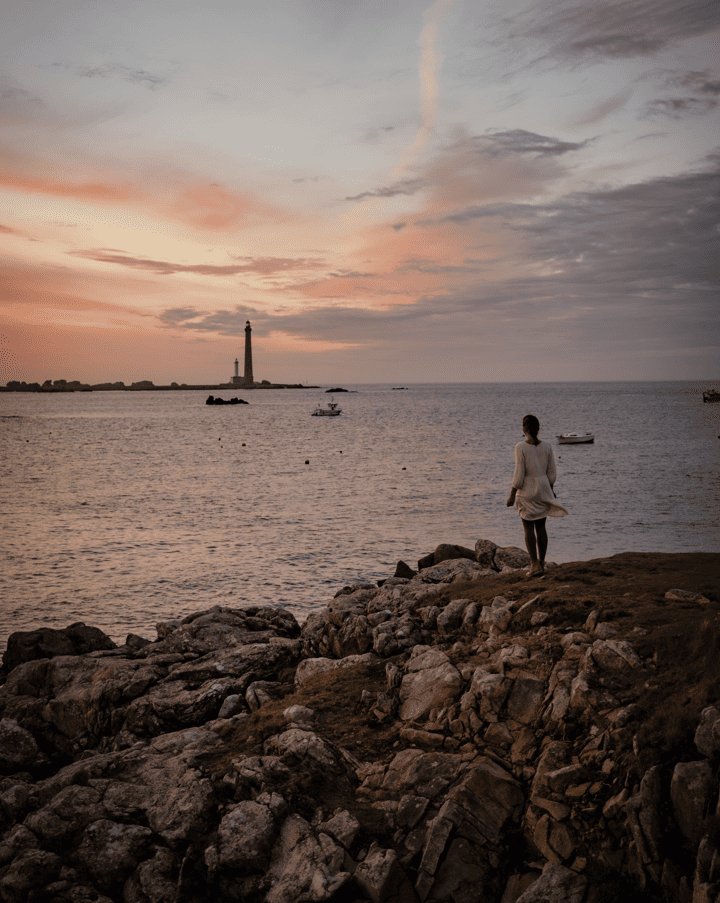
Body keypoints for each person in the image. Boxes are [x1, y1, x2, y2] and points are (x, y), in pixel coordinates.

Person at [506, 414, 568, 576]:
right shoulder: (547, 447)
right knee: (541, 527)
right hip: (543, 489)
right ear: (538, 429)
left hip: (527, 491)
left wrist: (512, 494)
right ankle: (541, 563)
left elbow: (519, 475)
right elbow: (551, 472)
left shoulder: (520, 447)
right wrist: (550, 488)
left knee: (528, 527)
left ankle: (534, 565)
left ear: (523, 429)